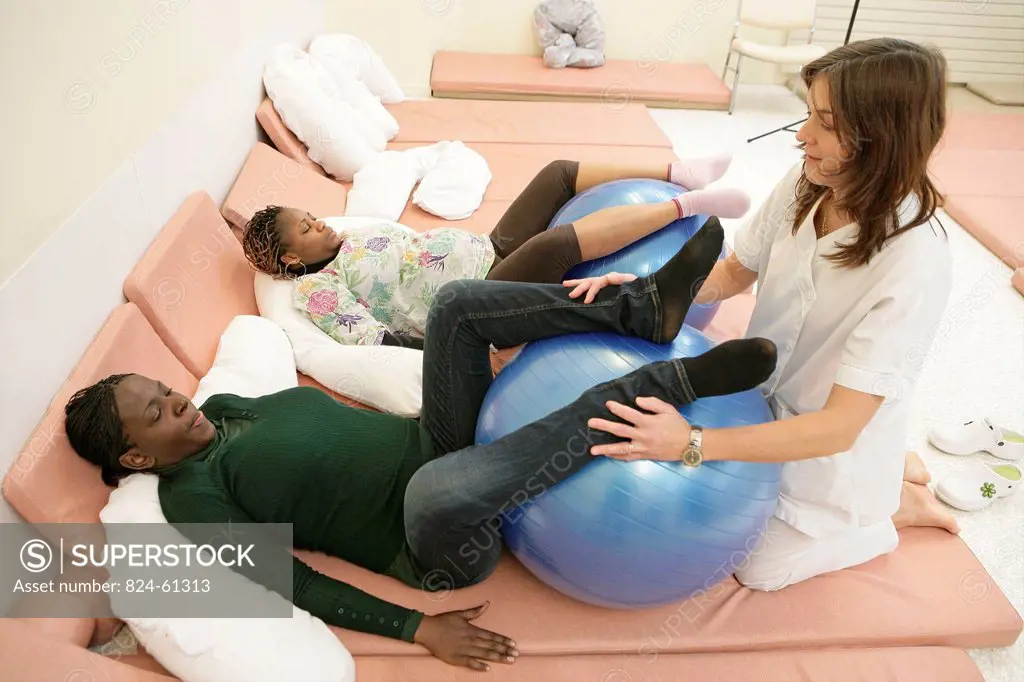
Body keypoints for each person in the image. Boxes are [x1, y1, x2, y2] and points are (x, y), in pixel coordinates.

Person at [65, 221, 778, 672]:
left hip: (434, 439)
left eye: (165, 388)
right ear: (136, 458)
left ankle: (641, 308)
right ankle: (672, 381)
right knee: (431, 489)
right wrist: (417, 629)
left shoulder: (223, 406)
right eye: (156, 413)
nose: (178, 401)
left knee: (456, 306)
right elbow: (294, 584)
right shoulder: (192, 498)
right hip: (431, 538)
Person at [565, 38, 961, 591]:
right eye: (808, 115)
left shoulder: (915, 257)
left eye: (825, 123)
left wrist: (693, 443)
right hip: (753, 395)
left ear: (881, 138)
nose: (803, 136)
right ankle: (895, 465)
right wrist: (649, 289)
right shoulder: (811, 182)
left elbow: (840, 425)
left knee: (755, 566)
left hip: (826, 442)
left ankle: (886, 516)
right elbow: (733, 274)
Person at [240, 156, 751, 348]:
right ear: (289, 259)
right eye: (306, 228)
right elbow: (375, 340)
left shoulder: (348, 237)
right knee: (554, 245)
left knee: (554, 174)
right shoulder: (317, 291)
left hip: (487, 248)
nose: (318, 221)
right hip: (480, 295)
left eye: (310, 215)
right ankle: (688, 206)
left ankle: (676, 173)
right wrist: (464, 346)